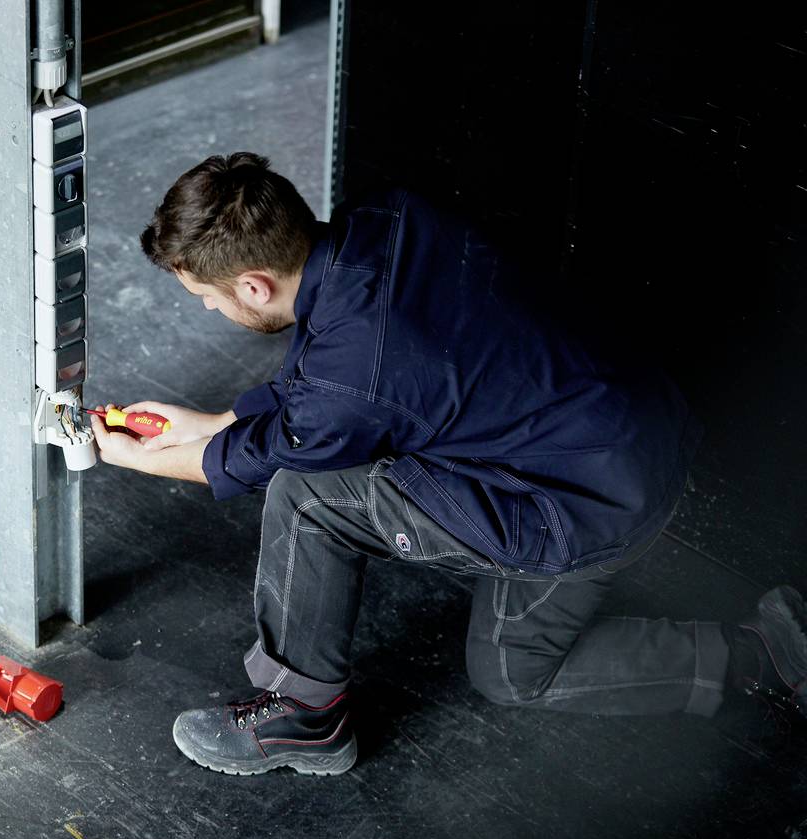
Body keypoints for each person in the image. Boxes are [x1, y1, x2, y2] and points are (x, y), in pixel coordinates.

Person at [90, 152, 806, 777]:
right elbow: (338, 387)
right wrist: (213, 421)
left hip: (576, 506)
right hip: (639, 435)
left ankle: (303, 717)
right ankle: (772, 650)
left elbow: (308, 427)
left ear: (251, 285)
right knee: (504, 664)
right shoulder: (386, 220)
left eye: (210, 299)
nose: (214, 311)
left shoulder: (350, 380)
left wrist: (121, 452)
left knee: (310, 496)